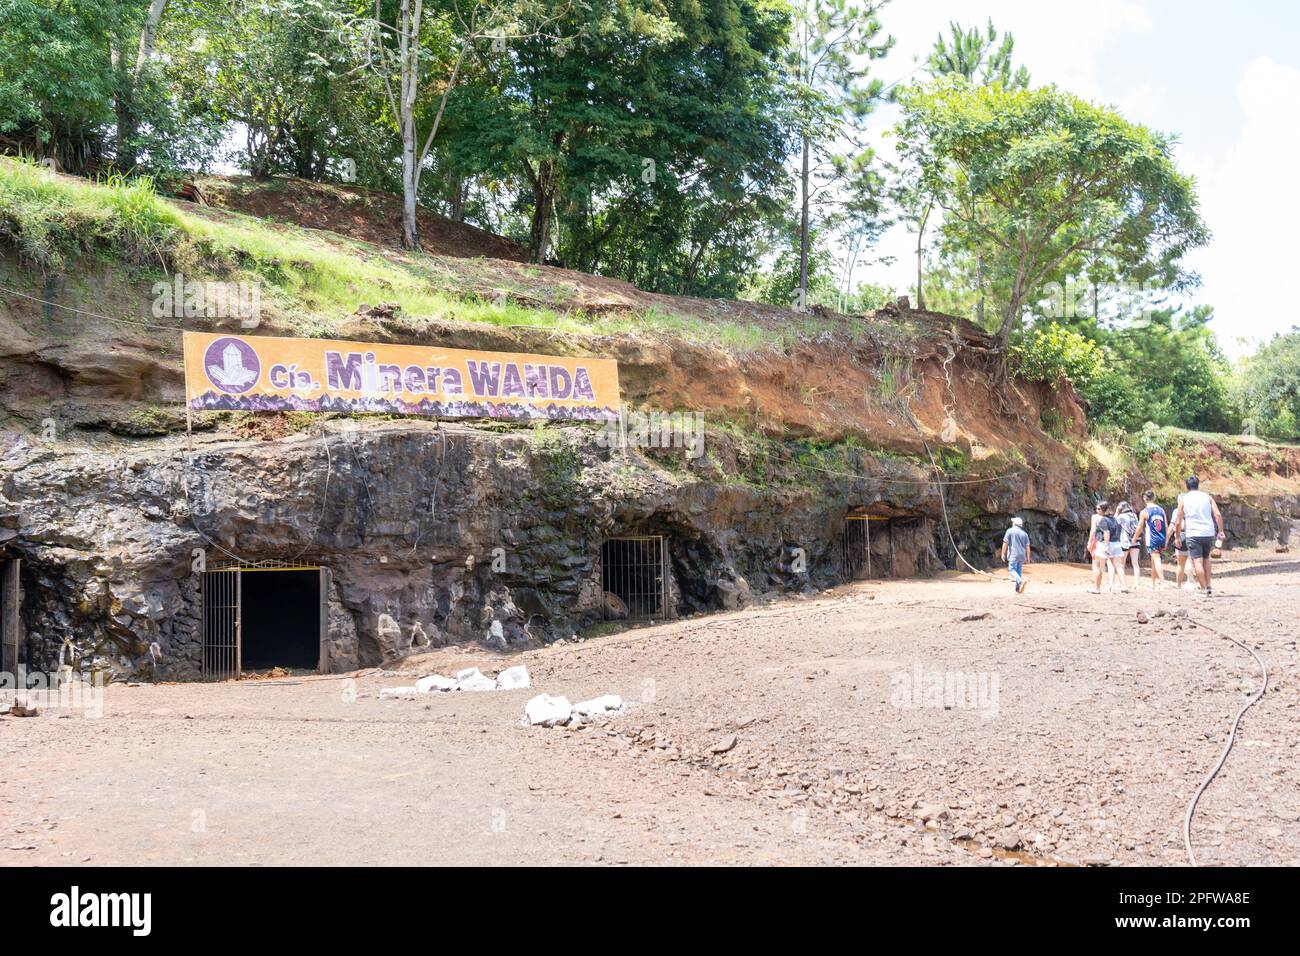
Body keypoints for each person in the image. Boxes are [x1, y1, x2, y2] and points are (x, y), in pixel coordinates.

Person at [1178, 475, 1225, 597]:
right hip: (1208, 533)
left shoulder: (1184, 499)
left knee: (1197, 562)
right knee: (1206, 559)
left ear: (1187, 486)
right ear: (1198, 485)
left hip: (1193, 533)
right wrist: (1220, 531)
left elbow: (1178, 520)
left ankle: (1204, 589)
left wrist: (1177, 536)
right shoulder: (1207, 497)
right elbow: (1217, 514)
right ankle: (1208, 585)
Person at [1132, 490, 1168, 590]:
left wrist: (1134, 538)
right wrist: (1166, 540)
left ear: (1144, 499)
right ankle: (1153, 584)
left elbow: (1140, 527)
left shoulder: (1145, 512)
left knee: (1156, 559)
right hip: (1162, 537)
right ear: (1154, 498)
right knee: (1153, 561)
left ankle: (1162, 582)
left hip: (1152, 539)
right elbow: (1165, 525)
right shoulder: (1161, 510)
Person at [1090, 502, 1125, 593]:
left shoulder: (1103, 520)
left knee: (1098, 566)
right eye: (1096, 509)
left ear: (1103, 510)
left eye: (1099, 509)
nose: (1097, 511)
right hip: (1116, 543)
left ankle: (1097, 588)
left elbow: (1106, 532)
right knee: (1118, 566)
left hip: (1105, 544)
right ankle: (1124, 586)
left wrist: (1106, 545)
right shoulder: (1114, 519)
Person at [1001, 516, 1031, 594]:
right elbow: (1027, 547)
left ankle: (1019, 581)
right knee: (1019, 571)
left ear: (1014, 524)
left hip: (1014, 555)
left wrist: (1002, 554)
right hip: (1022, 555)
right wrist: (1028, 558)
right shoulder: (1025, 534)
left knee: (1012, 570)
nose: (1012, 523)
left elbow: (1005, 543)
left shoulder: (1010, 531)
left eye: (1013, 522)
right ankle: (1018, 589)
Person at [1168, 493, 1191, 589]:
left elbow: (1173, 525)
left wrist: (1166, 538)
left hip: (1181, 536)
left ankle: (1178, 585)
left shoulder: (1177, 511)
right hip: (1193, 535)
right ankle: (1191, 581)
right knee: (1191, 560)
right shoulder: (1191, 510)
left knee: (1181, 564)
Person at [1115, 501, 1140, 589]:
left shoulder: (1121, 516)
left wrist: (1117, 512)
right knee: (1135, 563)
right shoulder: (1134, 515)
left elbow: (1114, 523)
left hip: (1125, 542)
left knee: (1122, 564)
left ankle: (1123, 583)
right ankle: (1137, 584)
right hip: (1135, 541)